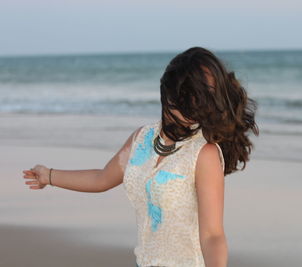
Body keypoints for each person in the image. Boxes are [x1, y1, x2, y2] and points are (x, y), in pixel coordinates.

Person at [22, 46, 259, 267]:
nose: (198, 105)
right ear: (170, 93)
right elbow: (102, 178)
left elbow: (213, 235)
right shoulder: (141, 139)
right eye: (192, 95)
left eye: (204, 96)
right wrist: (50, 176)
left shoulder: (203, 154)